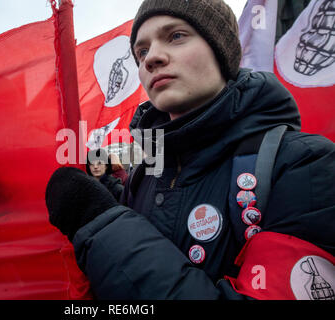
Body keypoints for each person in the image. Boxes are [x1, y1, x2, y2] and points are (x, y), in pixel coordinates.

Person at [46, 0, 335, 299]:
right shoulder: (144, 173)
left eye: (176, 36)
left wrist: (102, 226)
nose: (152, 58)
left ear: (220, 51)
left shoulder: (305, 164)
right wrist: (107, 199)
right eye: (141, 51)